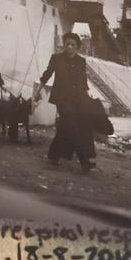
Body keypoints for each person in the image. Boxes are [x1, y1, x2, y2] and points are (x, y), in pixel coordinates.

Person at [38, 33, 98, 170]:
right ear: (64, 44)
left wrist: (87, 98)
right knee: (71, 124)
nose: (69, 47)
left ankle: (54, 155)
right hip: (62, 99)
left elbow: (83, 81)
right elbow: (47, 75)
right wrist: (37, 92)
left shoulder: (81, 61)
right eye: (67, 44)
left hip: (78, 98)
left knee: (69, 126)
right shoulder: (56, 58)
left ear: (77, 48)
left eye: (73, 45)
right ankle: (85, 160)